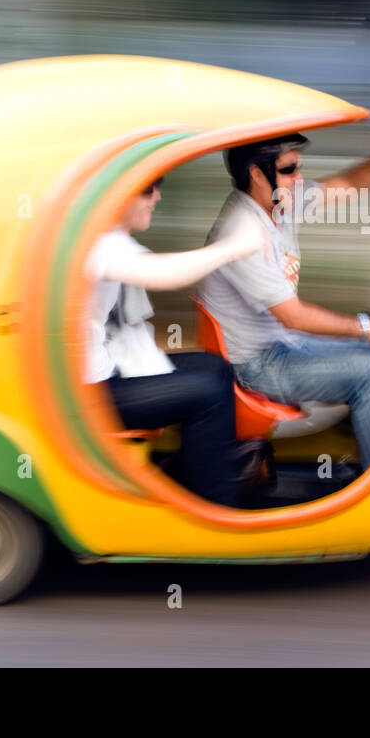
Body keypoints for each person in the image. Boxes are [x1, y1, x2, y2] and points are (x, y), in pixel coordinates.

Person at [199, 92, 370, 469]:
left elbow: (349, 186)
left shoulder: (279, 200)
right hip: (258, 364)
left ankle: (369, 453)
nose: (299, 179)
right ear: (257, 173)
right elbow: (294, 317)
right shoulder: (241, 232)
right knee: (369, 373)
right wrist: (369, 327)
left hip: (282, 344)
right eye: (289, 170)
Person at [84, 175, 266, 507]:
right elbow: (166, 274)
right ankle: (215, 507)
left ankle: (199, 474)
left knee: (214, 367)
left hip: (103, 372)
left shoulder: (107, 237)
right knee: (208, 392)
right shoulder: (96, 241)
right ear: (118, 194)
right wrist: (233, 247)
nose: (157, 197)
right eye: (148, 187)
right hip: (86, 394)